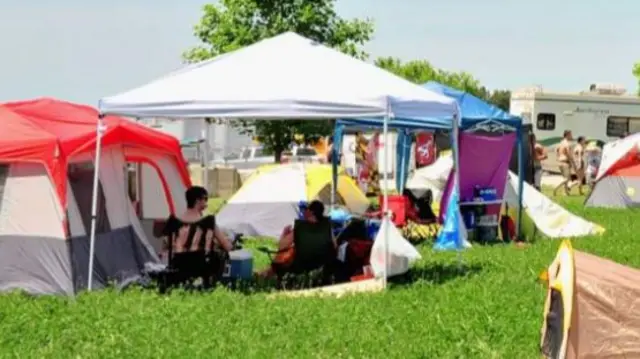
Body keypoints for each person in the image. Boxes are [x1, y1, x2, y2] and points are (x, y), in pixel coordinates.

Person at [161, 186, 233, 276]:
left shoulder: (174, 221)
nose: (207, 202)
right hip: (202, 266)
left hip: (178, 265)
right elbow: (227, 247)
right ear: (198, 200)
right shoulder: (208, 222)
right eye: (205, 199)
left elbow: (166, 245)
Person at [258, 200, 328, 278]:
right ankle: (265, 273)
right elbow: (334, 246)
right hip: (319, 263)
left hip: (299, 265)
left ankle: (263, 274)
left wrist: (284, 234)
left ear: (311, 212)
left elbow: (282, 246)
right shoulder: (326, 227)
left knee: (282, 256)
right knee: (288, 254)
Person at [553, 130, 576, 196]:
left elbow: (556, 150)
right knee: (567, 178)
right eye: (571, 134)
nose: (572, 136)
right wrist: (572, 162)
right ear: (567, 135)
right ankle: (556, 188)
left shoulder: (561, 143)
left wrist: (558, 157)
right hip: (565, 162)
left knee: (565, 178)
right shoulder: (567, 144)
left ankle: (565, 192)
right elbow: (569, 154)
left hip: (560, 161)